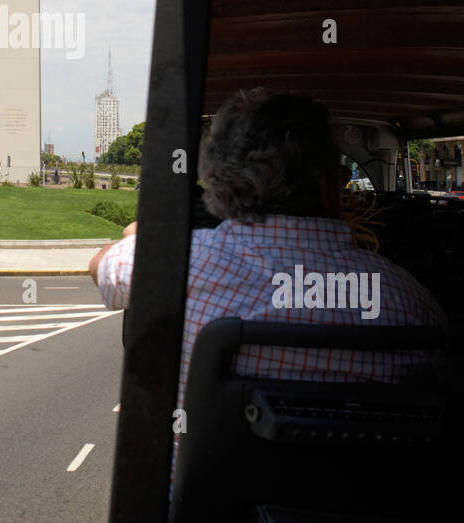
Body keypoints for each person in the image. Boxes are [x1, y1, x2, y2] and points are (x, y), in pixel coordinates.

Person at [89, 89, 444, 425]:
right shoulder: (406, 303)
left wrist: (143, 235)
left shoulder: (177, 264)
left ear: (218, 186)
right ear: (331, 188)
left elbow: (99, 266)